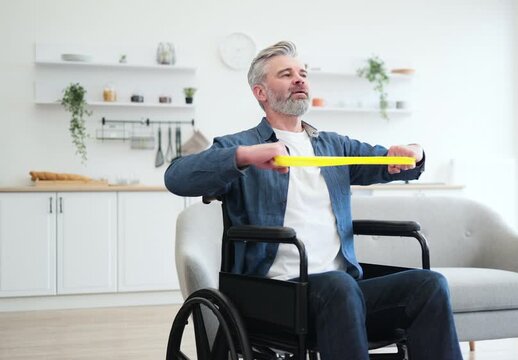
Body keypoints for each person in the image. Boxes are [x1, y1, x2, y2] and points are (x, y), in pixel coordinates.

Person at [165, 41, 463, 360]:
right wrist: (244, 156)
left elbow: (390, 160)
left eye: (303, 73)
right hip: (274, 294)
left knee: (429, 285)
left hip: (343, 288)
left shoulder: (333, 146)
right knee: (338, 287)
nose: (300, 79)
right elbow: (177, 177)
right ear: (260, 92)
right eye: (286, 73)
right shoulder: (240, 145)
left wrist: (414, 153)